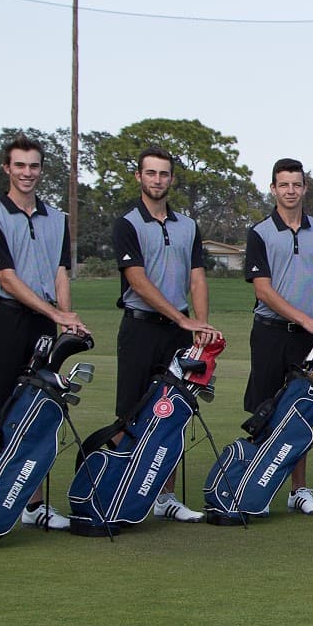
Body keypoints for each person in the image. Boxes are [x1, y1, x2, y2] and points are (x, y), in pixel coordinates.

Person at [0, 135, 89, 530]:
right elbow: (6, 278)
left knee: (39, 408)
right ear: (7, 168)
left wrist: (65, 314)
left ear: (41, 170)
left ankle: (34, 504)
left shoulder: (57, 219)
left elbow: (60, 273)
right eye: (19, 165)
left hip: (44, 322)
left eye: (34, 166)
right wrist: (56, 313)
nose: (27, 173)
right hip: (8, 319)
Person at [110, 146, 222, 523]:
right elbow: (138, 282)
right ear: (139, 177)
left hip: (179, 332)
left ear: (171, 178)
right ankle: (116, 492)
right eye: (151, 173)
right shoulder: (127, 223)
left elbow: (197, 277)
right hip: (140, 327)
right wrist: (183, 319)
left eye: (164, 174)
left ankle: (165, 496)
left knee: (172, 412)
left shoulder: (187, 225)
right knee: (130, 412)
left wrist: (201, 325)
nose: (157, 180)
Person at [243, 158, 313, 516]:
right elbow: (263, 291)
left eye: (296, 184)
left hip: (310, 337)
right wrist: (308, 320)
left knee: (302, 412)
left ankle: (299, 491)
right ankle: (254, 488)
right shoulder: (259, 232)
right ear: (273, 188)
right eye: (284, 185)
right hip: (270, 333)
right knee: (264, 409)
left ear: (304, 188)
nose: (290, 191)